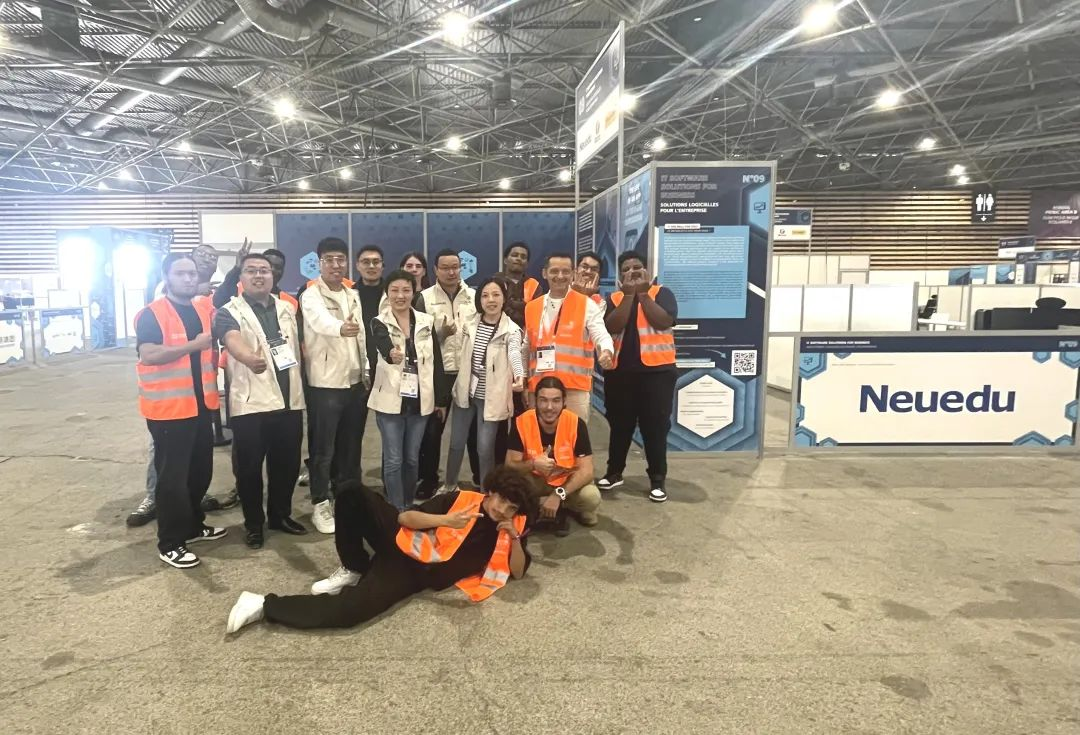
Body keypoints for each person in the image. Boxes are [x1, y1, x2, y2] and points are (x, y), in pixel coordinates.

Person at [224, 466, 534, 634]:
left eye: (511, 506)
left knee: (350, 612)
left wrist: (515, 539)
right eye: (500, 499)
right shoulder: (461, 500)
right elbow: (406, 518)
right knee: (351, 491)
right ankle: (354, 565)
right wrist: (446, 520)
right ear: (491, 491)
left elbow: (518, 572)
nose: (502, 509)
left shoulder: (510, 528)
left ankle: (262, 604)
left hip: (411, 574)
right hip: (401, 540)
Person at [135, 253, 226, 568]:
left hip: (200, 406)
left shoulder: (202, 309)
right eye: (180, 273)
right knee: (172, 479)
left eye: (192, 273)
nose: (188, 278)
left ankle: (193, 526)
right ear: (167, 277)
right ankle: (170, 543)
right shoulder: (152, 314)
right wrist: (193, 345)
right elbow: (149, 354)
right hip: (168, 410)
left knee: (200, 472)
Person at [214, 253, 307, 548]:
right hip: (251, 403)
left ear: (273, 276)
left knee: (287, 466)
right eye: (251, 271)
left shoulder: (286, 308)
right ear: (241, 278)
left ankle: (280, 515)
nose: (258, 276)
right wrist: (248, 358)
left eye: (264, 271)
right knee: (249, 469)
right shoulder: (228, 311)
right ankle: (254, 524)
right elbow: (232, 339)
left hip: (288, 401)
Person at [300, 237, 369, 534]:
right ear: (319, 263)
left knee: (351, 447)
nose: (335, 265)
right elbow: (319, 322)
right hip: (325, 384)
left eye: (340, 259)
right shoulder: (311, 295)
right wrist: (340, 328)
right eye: (329, 259)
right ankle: (320, 502)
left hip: (355, 382)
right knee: (323, 449)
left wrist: (366, 368)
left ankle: (348, 498)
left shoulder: (353, 294)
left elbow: (362, 335)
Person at [599, 252, 678, 503]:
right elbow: (612, 326)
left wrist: (643, 294)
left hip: (657, 374)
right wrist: (629, 296)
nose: (632, 272)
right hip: (620, 374)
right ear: (620, 275)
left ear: (646, 270)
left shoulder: (662, 293)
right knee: (619, 427)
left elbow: (664, 321)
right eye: (626, 269)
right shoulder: (613, 298)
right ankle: (614, 473)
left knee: (655, 429)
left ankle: (657, 479)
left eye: (637, 267)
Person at [369, 270, 451, 509]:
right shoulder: (379, 321)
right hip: (389, 401)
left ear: (413, 292)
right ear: (387, 293)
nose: (400, 296)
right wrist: (390, 353)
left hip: (420, 400)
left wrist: (441, 399)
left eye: (406, 290)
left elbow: (436, 361)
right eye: (394, 290)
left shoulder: (426, 321)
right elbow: (382, 342)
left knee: (412, 458)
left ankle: (407, 503)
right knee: (394, 459)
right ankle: (396, 509)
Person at [444, 277, 525, 492]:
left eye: (496, 295)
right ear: (479, 300)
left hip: (492, 398)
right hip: (465, 393)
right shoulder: (470, 323)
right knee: (456, 443)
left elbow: (515, 353)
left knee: (484, 448)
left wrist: (519, 374)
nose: (491, 300)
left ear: (504, 298)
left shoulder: (511, 330)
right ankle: (449, 485)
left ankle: (485, 491)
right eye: (485, 295)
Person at [414, 249, 478, 498]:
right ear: (435, 270)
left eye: (455, 267)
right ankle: (429, 479)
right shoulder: (424, 298)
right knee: (432, 431)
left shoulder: (474, 296)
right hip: (436, 373)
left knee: (472, 430)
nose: (451, 272)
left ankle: (479, 477)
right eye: (445, 268)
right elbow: (418, 340)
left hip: (467, 372)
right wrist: (439, 334)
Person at [523, 253, 614, 421]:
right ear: (544, 273)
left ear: (573, 273)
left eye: (565, 271)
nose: (560, 276)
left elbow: (601, 335)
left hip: (574, 390)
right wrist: (523, 382)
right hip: (539, 389)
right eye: (554, 271)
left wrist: (606, 351)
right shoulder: (532, 307)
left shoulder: (587, 304)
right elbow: (526, 348)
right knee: (537, 436)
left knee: (574, 436)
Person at [505, 376, 601, 536]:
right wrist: (533, 464)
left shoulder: (576, 424)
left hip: (566, 481)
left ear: (564, 402)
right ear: (535, 401)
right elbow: (510, 465)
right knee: (508, 489)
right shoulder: (521, 422)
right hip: (536, 481)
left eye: (556, 401)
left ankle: (552, 505)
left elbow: (587, 471)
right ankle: (551, 506)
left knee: (591, 497)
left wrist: (558, 494)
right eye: (543, 400)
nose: (549, 407)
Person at [213, 239, 297, 310]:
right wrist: (238, 268)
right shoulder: (240, 290)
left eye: (278, 267)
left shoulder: (290, 302)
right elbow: (218, 301)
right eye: (269, 266)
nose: (273, 270)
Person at [353, 244, 386, 377]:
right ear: (357, 266)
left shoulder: (393, 294)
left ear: (382, 266)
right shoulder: (348, 295)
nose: (371, 266)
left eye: (376, 262)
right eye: (366, 262)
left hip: (388, 362)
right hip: (357, 363)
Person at [494, 241, 541, 328]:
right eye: (514, 255)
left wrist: (509, 304)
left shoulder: (534, 286)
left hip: (526, 333)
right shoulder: (494, 282)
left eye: (523, 257)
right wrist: (523, 306)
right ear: (505, 260)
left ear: (527, 264)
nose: (519, 259)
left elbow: (537, 314)